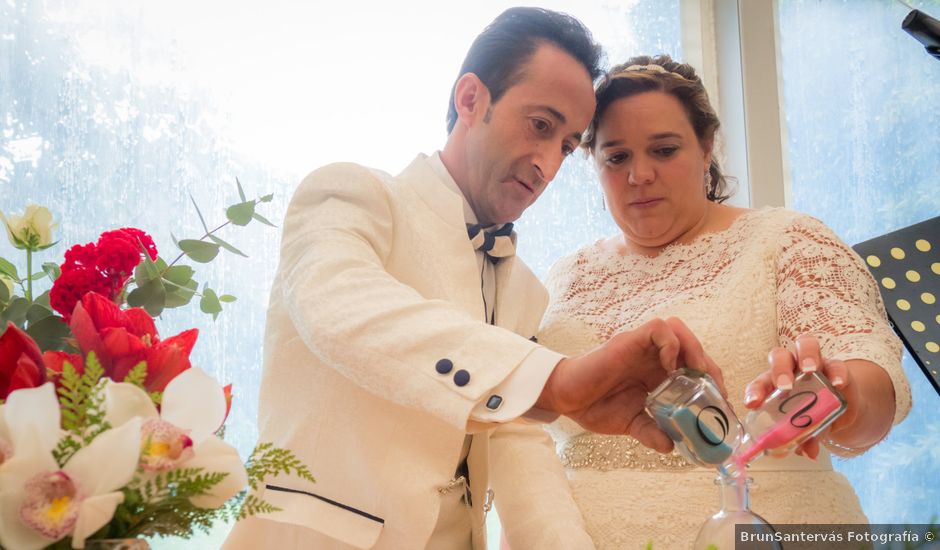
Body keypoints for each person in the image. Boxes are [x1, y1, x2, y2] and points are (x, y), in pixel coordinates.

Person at [223, 14, 722, 550]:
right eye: (540, 125)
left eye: (566, 143)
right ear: (470, 99)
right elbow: (338, 307)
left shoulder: (528, 292)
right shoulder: (349, 194)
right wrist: (556, 382)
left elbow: (518, 446)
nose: (549, 164)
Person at [537, 54, 913, 548]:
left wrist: (843, 396)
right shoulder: (564, 278)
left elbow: (870, 380)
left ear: (707, 146)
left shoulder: (787, 240)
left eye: (665, 150)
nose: (640, 175)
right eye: (617, 157)